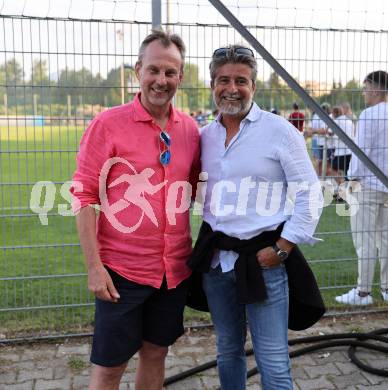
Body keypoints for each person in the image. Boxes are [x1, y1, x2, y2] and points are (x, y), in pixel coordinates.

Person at [70, 29, 200, 389]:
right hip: (121, 272)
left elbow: (194, 189)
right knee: (110, 368)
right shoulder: (108, 124)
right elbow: (83, 198)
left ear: (181, 77)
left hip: (172, 271)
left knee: (156, 353)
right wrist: (94, 268)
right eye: (154, 71)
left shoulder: (190, 129)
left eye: (170, 73)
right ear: (138, 70)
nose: (161, 81)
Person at [189, 45, 324, 390]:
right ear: (211, 84)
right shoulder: (204, 136)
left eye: (241, 80)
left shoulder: (280, 131)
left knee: (273, 360)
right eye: (223, 80)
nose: (231, 88)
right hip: (218, 264)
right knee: (227, 350)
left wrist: (282, 247)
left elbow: (310, 193)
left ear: (254, 86)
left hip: (265, 263)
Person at [335, 70, 388, 306]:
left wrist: (350, 180)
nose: (364, 92)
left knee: (364, 239)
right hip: (386, 184)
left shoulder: (369, 115)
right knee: (385, 239)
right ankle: (386, 289)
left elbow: (360, 151)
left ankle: (363, 292)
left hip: (367, 184)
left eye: (366, 88)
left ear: (376, 89)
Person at [330, 105, 354, 185]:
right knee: (347, 171)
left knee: (333, 169)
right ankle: (346, 187)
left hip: (340, 152)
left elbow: (329, 132)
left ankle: (341, 184)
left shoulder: (335, 122)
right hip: (350, 151)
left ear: (334, 114)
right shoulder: (349, 121)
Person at [308, 102, 333, 176]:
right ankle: (321, 177)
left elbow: (313, 129)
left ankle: (321, 177)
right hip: (321, 141)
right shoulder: (318, 116)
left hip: (322, 141)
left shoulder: (318, 116)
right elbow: (322, 130)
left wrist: (314, 131)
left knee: (321, 161)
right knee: (321, 161)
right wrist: (318, 131)